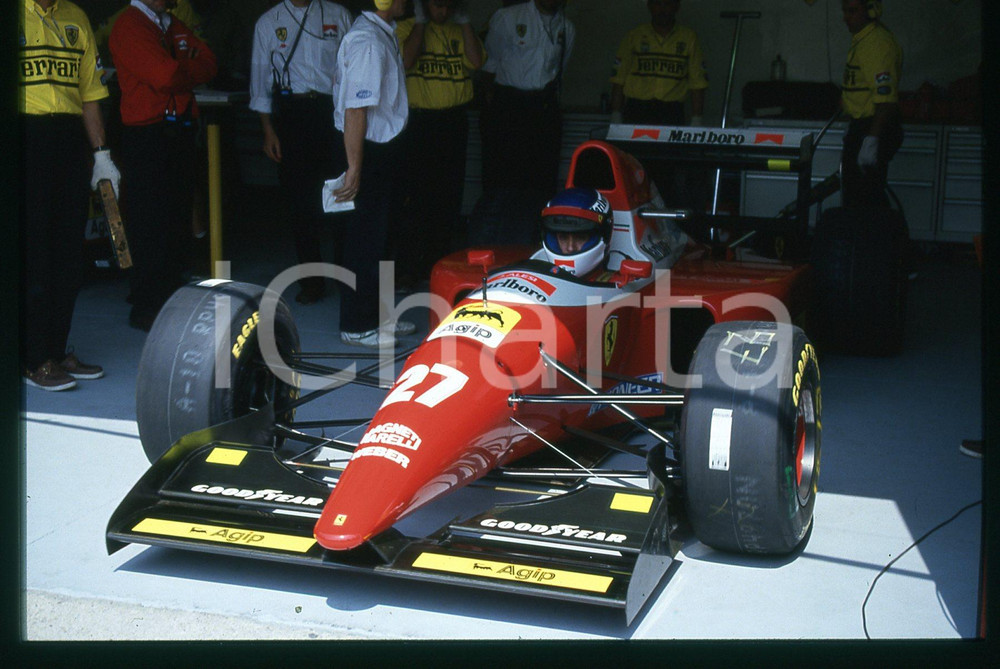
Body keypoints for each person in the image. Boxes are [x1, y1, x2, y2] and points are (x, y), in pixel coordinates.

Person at [19, 0, 119, 390]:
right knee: (33, 255)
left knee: (67, 254)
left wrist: (102, 155)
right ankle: (32, 359)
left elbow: (91, 93)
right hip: (24, 138)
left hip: (68, 141)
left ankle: (57, 351)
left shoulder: (75, 18)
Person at [109, 0, 217, 331]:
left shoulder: (170, 22)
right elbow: (165, 76)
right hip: (147, 134)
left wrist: (179, 68)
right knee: (148, 220)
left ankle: (170, 299)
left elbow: (211, 63)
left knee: (176, 215)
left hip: (179, 131)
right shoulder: (130, 25)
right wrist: (184, 65)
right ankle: (146, 305)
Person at [250, 0, 353, 304]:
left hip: (332, 112)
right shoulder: (269, 22)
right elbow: (260, 83)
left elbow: (352, 68)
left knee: (340, 195)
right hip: (292, 114)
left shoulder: (338, 14)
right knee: (300, 200)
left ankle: (347, 274)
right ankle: (312, 282)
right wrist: (268, 130)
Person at [331, 0, 415, 348]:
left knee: (381, 237)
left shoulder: (382, 34)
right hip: (369, 151)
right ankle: (357, 323)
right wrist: (354, 168)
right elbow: (356, 109)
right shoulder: (368, 41)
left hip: (383, 150)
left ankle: (378, 315)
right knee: (364, 239)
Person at [393, 0, 484, 288]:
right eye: (436, 6)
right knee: (414, 198)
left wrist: (466, 21)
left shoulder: (460, 29)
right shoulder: (406, 28)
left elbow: (477, 61)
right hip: (419, 122)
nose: (442, 12)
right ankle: (408, 267)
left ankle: (437, 266)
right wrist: (420, 22)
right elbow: (406, 60)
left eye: (448, 6)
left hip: (453, 121)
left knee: (447, 197)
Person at [479, 0, 575, 200]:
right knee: (502, 176)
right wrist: (490, 100)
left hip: (544, 106)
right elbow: (489, 62)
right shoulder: (508, 17)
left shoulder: (567, 28)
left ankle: (537, 226)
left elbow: (560, 70)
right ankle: (499, 227)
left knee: (542, 178)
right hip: (509, 104)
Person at [839, 0, 903, 209]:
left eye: (853, 11)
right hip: (862, 126)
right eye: (845, 11)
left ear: (870, 11)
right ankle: (866, 238)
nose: (846, 17)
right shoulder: (863, 40)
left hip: (874, 126)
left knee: (864, 197)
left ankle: (875, 239)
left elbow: (885, 99)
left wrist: (872, 140)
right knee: (860, 193)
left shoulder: (877, 43)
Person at [609, 0, 707, 127]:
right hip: (637, 109)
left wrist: (697, 119)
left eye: (667, 4)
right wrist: (615, 114)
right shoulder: (635, 36)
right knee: (635, 147)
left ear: (676, 6)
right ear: (649, 6)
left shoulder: (688, 38)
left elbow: (697, 83)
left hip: (671, 112)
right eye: (657, 4)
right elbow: (618, 79)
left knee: (668, 148)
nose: (662, 9)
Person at [537, 188, 612, 279]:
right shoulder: (535, 270)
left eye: (580, 238)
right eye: (563, 238)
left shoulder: (623, 290)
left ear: (605, 235)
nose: (570, 247)